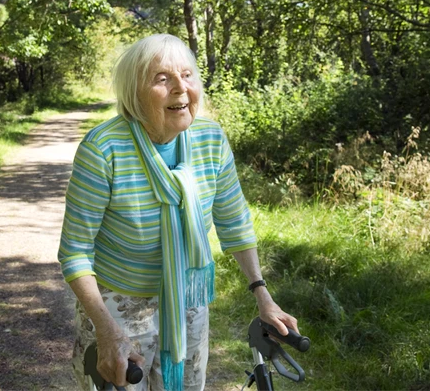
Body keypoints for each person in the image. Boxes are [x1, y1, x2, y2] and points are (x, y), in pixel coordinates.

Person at [58, 34, 298, 391]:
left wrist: (262, 294)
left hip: (187, 299)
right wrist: (106, 330)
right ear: (133, 92)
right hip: (116, 307)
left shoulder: (210, 140)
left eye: (187, 75)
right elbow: (75, 251)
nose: (180, 88)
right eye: (162, 78)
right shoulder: (103, 149)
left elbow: (235, 223)